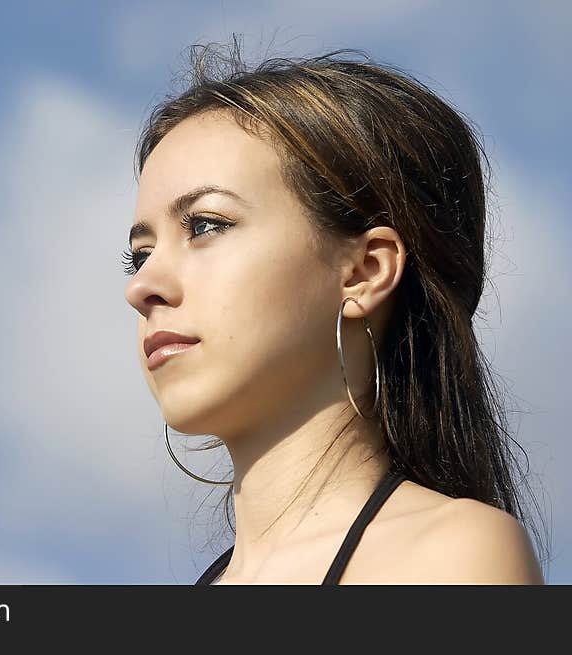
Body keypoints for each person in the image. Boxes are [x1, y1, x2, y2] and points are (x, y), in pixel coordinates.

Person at [122, 40, 548, 584]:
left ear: (365, 271)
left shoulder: (451, 559)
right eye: (139, 254)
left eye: (206, 225)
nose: (142, 287)